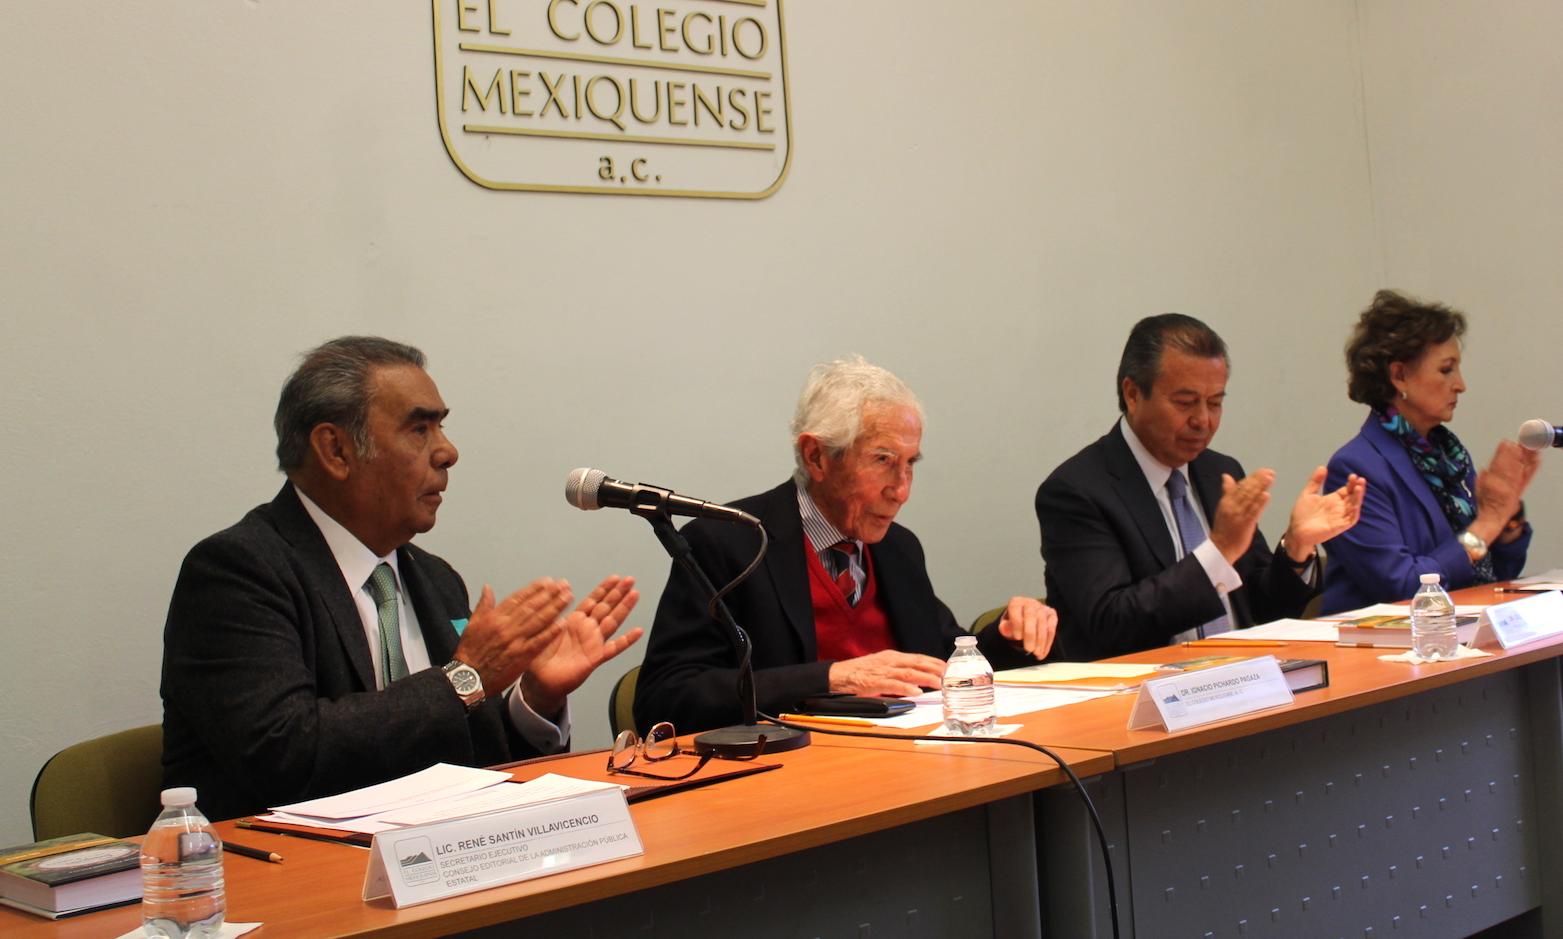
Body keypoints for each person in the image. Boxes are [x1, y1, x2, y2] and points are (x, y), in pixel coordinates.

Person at [160, 336, 643, 820]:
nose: (448, 452)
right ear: (336, 450)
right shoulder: (237, 572)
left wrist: (534, 698)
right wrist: (464, 679)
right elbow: (283, 756)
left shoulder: (435, 579)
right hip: (286, 860)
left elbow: (475, 761)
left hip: (435, 853)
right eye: (419, 429)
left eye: (441, 427)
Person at [634, 356, 1058, 734]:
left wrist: (1009, 637)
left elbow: (940, 663)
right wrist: (830, 678)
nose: (902, 491)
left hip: (912, 766)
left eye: (910, 463)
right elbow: (666, 698)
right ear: (816, 456)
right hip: (794, 776)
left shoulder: (899, 547)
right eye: (883, 460)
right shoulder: (728, 544)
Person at [1037, 314, 1366, 662]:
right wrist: (1218, 551)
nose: (1203, 420)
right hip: (1142, 687)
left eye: (1215, 403)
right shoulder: (1076, 491)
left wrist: (1297, 546)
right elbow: (1113, 623)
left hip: (1240, 678)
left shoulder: (1220, 472)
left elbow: (1263, 608)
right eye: (1185, 403)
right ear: (1132, 394)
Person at [1319, 291, 1538, 614]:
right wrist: (1488, 523)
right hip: (1386, 639)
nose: (1461, 384)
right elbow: (1403, 587)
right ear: (1400, 376)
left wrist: (1508, 517)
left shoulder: (1449, 457)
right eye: (1447, 370)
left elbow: (1494, 573)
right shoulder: (1355, 469)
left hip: (1462, 623)